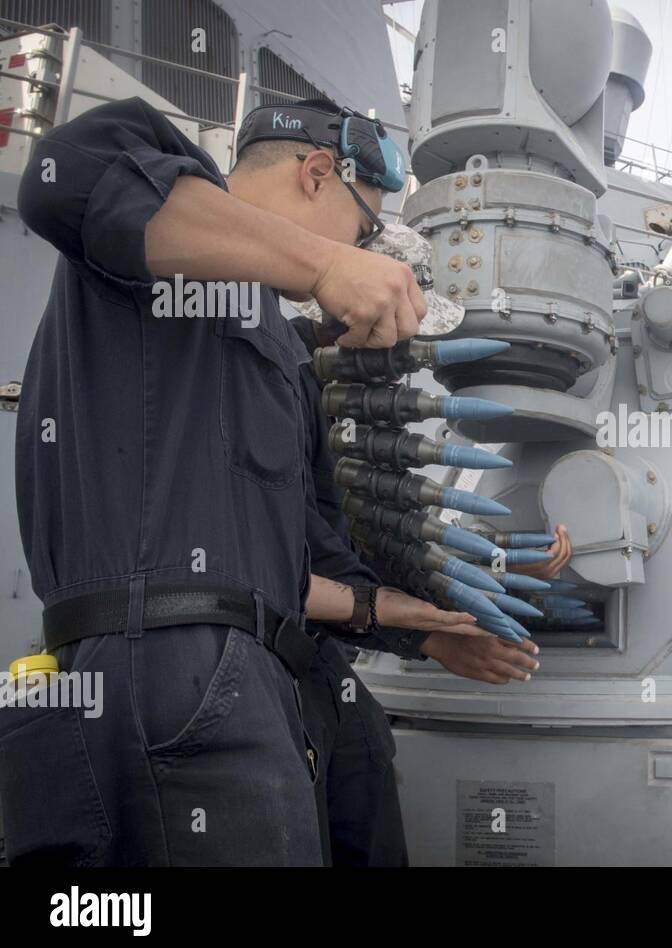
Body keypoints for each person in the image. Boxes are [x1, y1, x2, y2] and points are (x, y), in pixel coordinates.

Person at [0, 95, 469, 866]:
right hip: (164, 665)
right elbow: (59, 179)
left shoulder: (279, 349)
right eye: (363, 228)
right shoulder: (155, 211)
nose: (362, 250)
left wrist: (423, 625)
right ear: (318, 173)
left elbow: (312, 552)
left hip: (251, 674)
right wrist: (324, 263)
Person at [287, 310, 552, 865]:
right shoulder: (287, 378)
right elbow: (301, 556)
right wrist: (429, 639)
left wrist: (501, 569)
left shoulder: (318, 388)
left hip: (317, 662)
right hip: (275, 666)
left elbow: (362, 541)